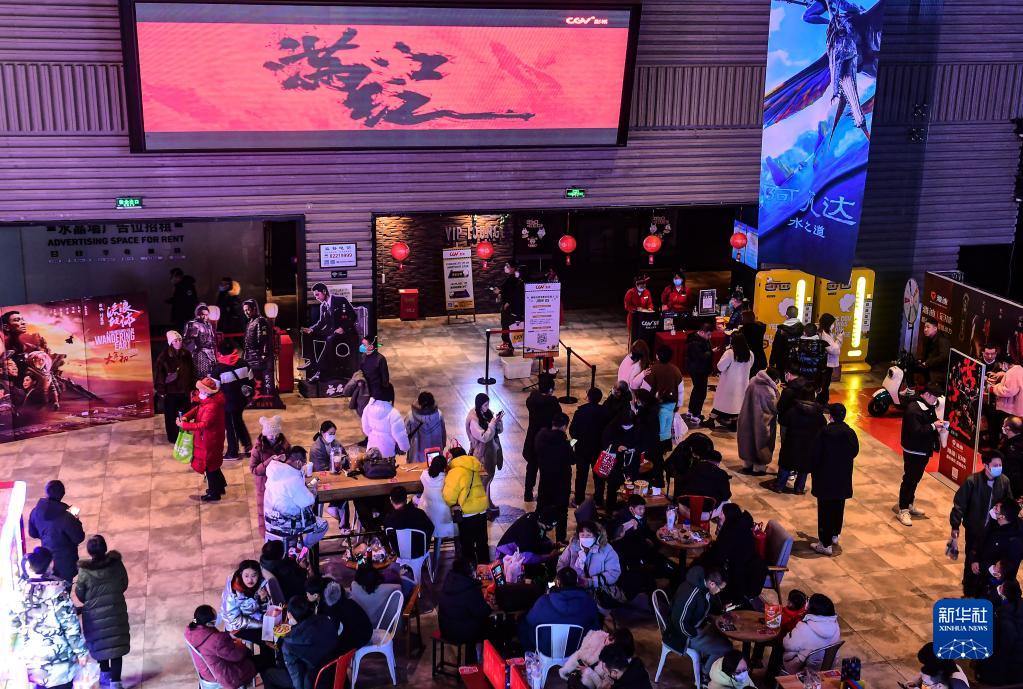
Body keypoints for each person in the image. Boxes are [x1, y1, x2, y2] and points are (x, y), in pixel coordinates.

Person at [11, 547, 88, 689]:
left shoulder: (18, 593)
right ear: (51, 564)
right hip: (60, 661)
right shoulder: (57, 592)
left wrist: (16, 652)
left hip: (33, 661)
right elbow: (70, 627)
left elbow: (13, 625)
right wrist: (81, 652)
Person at [952, 452, 1015, 594]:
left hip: (993, 531)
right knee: (972, 558)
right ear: (986, 465)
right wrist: (955, 525)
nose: (998, 467)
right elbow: (959, 504)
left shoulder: (1004, 482)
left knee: (987, 560)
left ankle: (982, 589)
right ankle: (968, 589)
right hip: (974, 529)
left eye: (1000, 465)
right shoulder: (972, 481)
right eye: (995, 465)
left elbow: (1008, 504)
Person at [75, 535, 130, 689]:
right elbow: (124, 583)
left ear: (89, 551)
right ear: (105, 548)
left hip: (94, 616)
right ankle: (116, 683)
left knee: (100, 644)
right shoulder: (116, 564)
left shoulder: (84, 572)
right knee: (116, 647)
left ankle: (104, 674)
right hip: (115, 610)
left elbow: (80, 595)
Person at [810, 403, 858, 554]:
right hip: (842, 478)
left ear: (830, 416)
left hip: (825, 478)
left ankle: (825, 544)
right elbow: (854, 451)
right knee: (838, 507)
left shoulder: (824, 432)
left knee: (825, 510)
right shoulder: (850, 433)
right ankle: (834, 535)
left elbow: (815, 454)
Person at [662, 565, 731, 668]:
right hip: (682, 635)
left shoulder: (703, 585)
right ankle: (705, 672)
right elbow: (679, 622)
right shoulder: (691, 593)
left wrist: (721, 609)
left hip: (695, 626)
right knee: (725, 648)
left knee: (723, 638)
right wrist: (694, 634)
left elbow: (706, 606)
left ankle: (707, 661)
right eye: (720, 589)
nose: (719, 591)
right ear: (712, 584)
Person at [609, 495, 677, 600]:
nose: (643, 511)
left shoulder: (640, 516)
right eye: (640, 509)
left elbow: (646, 531)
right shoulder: (623, 523)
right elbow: (629, 543)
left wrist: (658, 536)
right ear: (631, 509)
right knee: (664, 567)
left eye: (644, 508)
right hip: (636, 556)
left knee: (667, 564)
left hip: (644, 550)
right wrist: (648, 544)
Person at [698, 503, 765, 609]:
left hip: (740, 576)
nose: (719, 518)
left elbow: (719, 555)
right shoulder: (739, 526)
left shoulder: (732, 531)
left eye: (722, 515)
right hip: (738, 568)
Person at [185, 605, 268, 689]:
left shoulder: (190, 629)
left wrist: (228, 641)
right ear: (208, 624)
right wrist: (240, 644)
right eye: (215, 619)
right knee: (264, 660)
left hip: (206, 671)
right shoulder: (216, 640)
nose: (217, 619)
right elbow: (237, 656)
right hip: (225, 676)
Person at [520, 567, 601, 652]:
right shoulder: (589, 602)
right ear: (577, 582)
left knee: (524, 623)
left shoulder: (543, 601)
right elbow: (596, 627)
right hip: (577, 650)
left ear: (558, 583)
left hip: (547, 651)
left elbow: (529, 620)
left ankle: (531, 654)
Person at [897, 382, 945, 526]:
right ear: (927, 394)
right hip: (914, 450)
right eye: (934, 397)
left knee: (915, 479)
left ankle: (909, 504)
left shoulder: (928, 406)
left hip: (923, 449)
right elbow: (916, 431)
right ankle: (903, 509)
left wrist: (937, 425)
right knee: (909, 479)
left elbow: (930, 424)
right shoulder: (913, 409)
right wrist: (933, 426)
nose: (935, 401)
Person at [264, 447, 329, 547]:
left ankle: (297, 546)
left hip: (270, 520)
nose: (304, 466)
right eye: (304, 463)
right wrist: (312, 490)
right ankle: (303, 548)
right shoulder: (292, 478)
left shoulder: (275, 470)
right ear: (298, 462)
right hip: (286, 524)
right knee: (323, 525)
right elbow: (307, 501)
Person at [177, 376, 228, 502]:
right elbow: (198, 409)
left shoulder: (212, 406)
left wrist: (184, 425)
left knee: (209, 466)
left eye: (200, 390)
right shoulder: (209, 401)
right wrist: (187, 416)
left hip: (210, 439)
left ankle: (214, 493)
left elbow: (204, 424)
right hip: (210, 438)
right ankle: (220, 486)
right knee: (214, 464)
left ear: (206, 391)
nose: (198, 392)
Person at [28, 479, 85, 583]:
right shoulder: (69, 515)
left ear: (46, 492)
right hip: (66, 562)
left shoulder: (35, 511)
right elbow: (79, 537)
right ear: (62, 494)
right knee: (64, 588)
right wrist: (76, 520)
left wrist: (45, 535)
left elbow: (32, 533)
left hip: (45, 560)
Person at [299, 282, 358, 382]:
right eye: (315, 296)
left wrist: (342, 328)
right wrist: (311, 329)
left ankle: (320, 371)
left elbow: (353, 316)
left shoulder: (340, 300)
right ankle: (311, 362)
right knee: (306, 334)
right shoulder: (323, 306)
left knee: (330, 339)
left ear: (324, 291)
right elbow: (321, 323)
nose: (316, 297)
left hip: (345, 332)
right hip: (332, 332)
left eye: (317, 294)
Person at [443, 444, 490, 565]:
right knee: (482, 543)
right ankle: (485, 570)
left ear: (454, 458)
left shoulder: (455, 472)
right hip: (481, 509)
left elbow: (449, 498)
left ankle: (471, 569)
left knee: (467, 544)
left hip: (467, 513)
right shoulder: (473, 467)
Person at [281, 595, 341, 689]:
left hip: (314, 681)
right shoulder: (325, 619)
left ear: (289, 615)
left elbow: (297, 678)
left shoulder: (289, 643)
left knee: (269, 675)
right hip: (336, 672)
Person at [220, 559, 284, 647]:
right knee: (267, 641)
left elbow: (264, 609)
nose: (250, 580)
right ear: (241, 574)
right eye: (246, 576)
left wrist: (263, 600)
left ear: (259, 575)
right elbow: (235, 620)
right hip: (238, 627)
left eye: (254, 575)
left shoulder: (261, 584)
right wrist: (261, 624)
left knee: (273, 634)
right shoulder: (232, 594)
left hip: (255, 617)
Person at [774, 387, 826, 494]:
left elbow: (783, 421)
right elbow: (823, 427)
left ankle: (779, 486)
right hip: (808, 445)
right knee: (804, 467)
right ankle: (799, 489)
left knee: (786, 465)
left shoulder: (793, 410)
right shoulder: (818, 414)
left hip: (792, 443)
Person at [557, 522, 622, 608]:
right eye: (582, 535)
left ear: (596, 535)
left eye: (588, 535)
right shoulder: (572, 547)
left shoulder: (606, 549)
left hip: (596, 592)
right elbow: (562, 563)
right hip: (573, 588)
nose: (585, 538)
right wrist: (565, 578)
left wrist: (591, 582)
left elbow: (614, 573)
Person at [304, 576, 373, 654]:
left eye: (307, 593)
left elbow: (336, 631)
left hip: (360, 635)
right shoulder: (331, 598)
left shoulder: (329, 608)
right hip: (360, 628)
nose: (306, 595)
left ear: (316, 595)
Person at [437, 558, 492, 651]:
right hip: (461, 633)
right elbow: (484, 612)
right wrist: (488, 604)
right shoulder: (470, 588)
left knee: (468, 616)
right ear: (468, 572)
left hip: (445, 630)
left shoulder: (449, 582)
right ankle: (478, 656)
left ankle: (474, 654)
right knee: (490, 624)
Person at [523, 373, 562, 502]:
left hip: (532, 438)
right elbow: (559, 418)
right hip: (546, 440)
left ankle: (528, 494)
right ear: (550, 389)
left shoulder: (532, 400)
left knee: (531, 468)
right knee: (545, 470)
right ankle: (542, 496)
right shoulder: (552, 403)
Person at [536, 412, 574, 543]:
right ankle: (560, 542)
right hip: (561, 484)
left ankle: (538, 538)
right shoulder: (564, 444)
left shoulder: (541, 437)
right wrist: (571, 445)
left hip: (545, 481)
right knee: (562, 513)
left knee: (541, 510)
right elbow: (572, 460)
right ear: (564, 426)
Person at [973, 498, 1023, 596]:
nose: (993, 508)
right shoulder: (994, 522)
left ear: (1002, 516)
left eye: (996, 508)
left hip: (994, 586)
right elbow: (981, 540)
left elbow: (1006, 567)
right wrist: (975, 559)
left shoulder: (1016, 540)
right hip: (981, 575)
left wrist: (986, 567)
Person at [978, 578, 1023, 686]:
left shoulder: (1003, 619)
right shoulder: (1014, 609)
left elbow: (1000, 650)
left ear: (1004, 596)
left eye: (1001, 588)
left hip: (1008, 674)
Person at [781, 593, 840, 674]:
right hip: (827, 666)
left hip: (803, 668)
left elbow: (787, 644)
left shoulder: (804, 627)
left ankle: (771, 677)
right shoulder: (835, 625)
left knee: (779, 646)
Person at [250, 415, 290, 533]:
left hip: (280, 484)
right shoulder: (257, 449)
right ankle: (266, 535)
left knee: (280, 511)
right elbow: (253, 469)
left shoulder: (285, 445)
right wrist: (269, 461)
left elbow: (291, 461)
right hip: (264, 485)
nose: (274, 437)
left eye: (276, 434)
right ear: (265, 434)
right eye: (271, 435)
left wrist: (285, 459)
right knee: (264, 512)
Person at [154, 329, 195, 443]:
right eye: (175, 341)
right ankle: (173, 437)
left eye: (180, 340)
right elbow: (159, 376)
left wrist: (192, 387)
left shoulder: (186, 354)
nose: (178, 342)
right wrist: (161, 391)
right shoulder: (164, 357)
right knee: (171, 416)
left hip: (184, 391)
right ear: (170, 343)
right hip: (171, 392)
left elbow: (191, 371)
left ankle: (184, 434)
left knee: (185, 414)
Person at [466, 392, 505, 513]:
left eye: (488, 404)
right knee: (484, 480)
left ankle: (488, 503)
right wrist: (492, 424)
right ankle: (484, 507)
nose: (487, 407)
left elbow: (499, 431)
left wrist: (498, 422)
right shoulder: (474, 419)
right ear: (479, 405)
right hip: (482, 454)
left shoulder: (487, 413)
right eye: (485, 405)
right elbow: (484, 437)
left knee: (489, 479)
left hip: (492, 451)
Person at [214, 341, 253, 460]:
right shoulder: (244, 363)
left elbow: (214, 389)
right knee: (238, 421)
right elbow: (251, 381)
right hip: (241, 400)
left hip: (227, 403)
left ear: (220, 353)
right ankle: (248, 447)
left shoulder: (218, 369)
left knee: (230, 426)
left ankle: (233, 452)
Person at [737, 368, 780, 476]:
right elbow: (775, 407)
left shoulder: (753, 381)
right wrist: (777, 393)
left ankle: (747, 464)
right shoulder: (768, 390)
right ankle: (758, 467)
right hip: (761, 421)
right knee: (761, 442)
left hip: (747, 417)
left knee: (748, 439)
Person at [706, 333, 753, 431]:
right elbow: (750, 366)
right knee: (737, 404)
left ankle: (711, 420)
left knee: (721, 403)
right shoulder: (750, 354)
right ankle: (734, 423)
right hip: (742, 384)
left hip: (728, 383)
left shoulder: (730, 353)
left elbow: (720, 366)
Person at [571, 388, 609, 506]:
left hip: (582, 449)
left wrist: (575, 442)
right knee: (599, 476)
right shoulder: (605, 412)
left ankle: (579, 499)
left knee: (581, 475)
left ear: (588, 397)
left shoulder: (580, 412)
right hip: (599, 449)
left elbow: (573, 430)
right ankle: (599, 500)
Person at [597, 412, 641, 510]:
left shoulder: (638, 427)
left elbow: (642, 443)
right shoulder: (612, 427)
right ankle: (610, 509)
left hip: (631, 463)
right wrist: (617, 447)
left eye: (629, 425)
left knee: (630, 488)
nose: (627, 428)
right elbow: (605, 442)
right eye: (625, 426)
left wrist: (634, 449)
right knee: (612, 487)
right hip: (615, 464)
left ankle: (629, 509)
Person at [645, 346, 685, 448]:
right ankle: (665, 447)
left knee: (656, 427)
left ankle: (655, 448)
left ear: (657, 356)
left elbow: (645, 389)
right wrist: (679, 404)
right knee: (667, 426)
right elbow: (680, 390)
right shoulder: (676, 370)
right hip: (671, 405)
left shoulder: (652, 369)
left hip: (655, 405)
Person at [241, 298, 278, 402]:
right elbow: (247, 341)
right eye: (244, 310)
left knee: (260, 378)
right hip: (251, 356)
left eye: (248, 310)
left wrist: (264, 354)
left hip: (259, 355)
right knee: (254, 378)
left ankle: (264, 398)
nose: (246, 312)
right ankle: (257, 397)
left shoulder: (261, 321)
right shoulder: (250, 322)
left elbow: (265, 339)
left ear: (254, 309)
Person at [675, 449, 731, 517]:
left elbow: (681, 484)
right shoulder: (722, 474)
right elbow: (726, 495)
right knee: (728, 502)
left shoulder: (693, 467)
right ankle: (720, 523)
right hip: (704, 514)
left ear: (705, 459)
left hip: (685, 509)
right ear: (718, 463)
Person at [383, 485, 435, 557]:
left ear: (391, 501)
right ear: (406, 499)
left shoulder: (388, 518)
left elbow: (387, 537)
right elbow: (431, 528)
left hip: (398, 554)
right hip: (420, 553)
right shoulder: (419, 514)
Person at [361, 384, 410, 459]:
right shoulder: (394, 413)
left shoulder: (367, 408)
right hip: (388, 453)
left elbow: (365, 429)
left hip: (371, 450)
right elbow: (400, 435)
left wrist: (374, 435)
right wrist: (404, 448)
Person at [419, 453, 457, 542]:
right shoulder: (447, 478)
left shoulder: (424, 475)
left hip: (427, 510)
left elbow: (428, 473)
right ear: (444, 467)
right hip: (443, 513)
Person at [349, 562, 401, 627]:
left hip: (364, 626)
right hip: (390, 627)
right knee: (395, 566)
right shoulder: (392, 584)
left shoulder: (354, 587)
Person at [405, 390, 446, 464]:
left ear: (419, 403)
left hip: (416, 456)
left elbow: (405, 436)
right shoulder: (439, 415)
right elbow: (443, 435)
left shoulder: (411, 416)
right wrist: (442, 446)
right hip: (435, 456)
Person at [788, 323, 828, 398]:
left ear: (804, 332)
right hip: (815, 376)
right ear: (816, 332)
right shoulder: (821, 345)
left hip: (800, 375)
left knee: (800, 395)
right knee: (812, 395)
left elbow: (792, 361)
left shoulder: (798, 344)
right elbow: (823, 365)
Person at [685, 322, 714, 423]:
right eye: (708, 335)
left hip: (699, 369)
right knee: (701, 393)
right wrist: (711, 352)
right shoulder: (695, 342)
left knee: (697, 390)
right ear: (702, 332)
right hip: (698, 370)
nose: (710, 337)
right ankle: (695, 415)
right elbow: (700, 357)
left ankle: (690, 411)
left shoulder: (699, 339)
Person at [183, 303, 217, 379]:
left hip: (210, 352)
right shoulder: (194, 324)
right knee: (201, 375)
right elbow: (188, 341)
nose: (205, 317)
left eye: (206, 315)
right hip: (200, 353)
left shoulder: (208, 324)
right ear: (198, 314)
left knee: (212, 374)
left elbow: (211, 338)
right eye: (202, 314)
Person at [497, 262, 525, 355]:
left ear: (513, 268)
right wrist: (500, 293)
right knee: (505, 325)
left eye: (508, 266)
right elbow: (506, 290)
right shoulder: (510, 278)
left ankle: (510, 348)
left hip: (510, 308)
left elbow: (514, 293)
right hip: (507, 306)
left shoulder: (516, 279)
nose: (506, 268)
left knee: (508, 326)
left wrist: (508, 302)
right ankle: (508, 345)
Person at [768, 306, 803, 374]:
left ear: (787, 314)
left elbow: (776, 347)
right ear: (797, 314)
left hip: (782, 361)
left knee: (782, 379)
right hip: (797, 361)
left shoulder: (781, 330)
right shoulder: (802, 329)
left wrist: (772, 362)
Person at [817, 314, 843, 404]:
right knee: (824, 384)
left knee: (824, 384)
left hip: (825, 363)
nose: (833, 325)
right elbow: (834, 350)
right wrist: (839, 338)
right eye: (832, 323)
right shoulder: (825, 336)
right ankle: (822, 403)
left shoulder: (823, 332)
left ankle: (823, 401)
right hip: (826, 364)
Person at [920, 317, 952, 387]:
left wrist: (928, 362)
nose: (925, 329)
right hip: (929, 365)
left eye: (928, 327)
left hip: (940, 370)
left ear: (935, 328)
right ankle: (911, 388)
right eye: (924, 327)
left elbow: (945, 357)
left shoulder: (942, 340)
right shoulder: (927, 338)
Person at [624, 276, 654, 344]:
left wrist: (650, 308)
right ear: (636, 285)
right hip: (633, 317)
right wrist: (635, 309)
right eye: (641, 285)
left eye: (644, 285)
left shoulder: (647, 292)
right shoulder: (630, 292)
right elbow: (627, 306)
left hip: (644, 318)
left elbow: (650, 303)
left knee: (643, 336)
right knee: (633, 336)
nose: (643, 286)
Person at [358, 335, 390, 399]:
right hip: (364, 390)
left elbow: (385, 378)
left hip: (376, 392)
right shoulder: (363, 356)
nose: (361, 346)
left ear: (371, 347)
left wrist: (384, 393)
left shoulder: (380, 359)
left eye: (364, 345)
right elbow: (360, 371)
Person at [167, 267, 198, 332]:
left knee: (185, 330)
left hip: (184, 315)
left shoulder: (186, 285)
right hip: (182, 315)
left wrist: (173, 300)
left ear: (177, 277)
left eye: (172, 276)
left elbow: (188, 300)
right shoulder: (180, 285)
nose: (171, 279)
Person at [999, 415, 1023, 497]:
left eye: (1004, 425)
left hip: (1012, 487)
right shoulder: (1010, 440)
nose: (1002, 427)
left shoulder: (1013, 450)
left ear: (1007, 428)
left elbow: (1010, 471)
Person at [740, 310, 768, 376]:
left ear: (746, 318)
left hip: (749, 359)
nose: (741, 319)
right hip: (760, 357)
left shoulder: (745, 330)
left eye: (743, 317)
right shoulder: (760, 328)